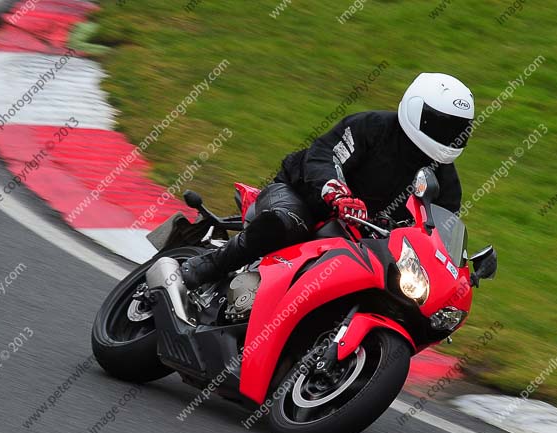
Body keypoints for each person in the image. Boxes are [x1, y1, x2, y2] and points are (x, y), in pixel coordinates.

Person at [181, 72, 475, 290]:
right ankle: (203, 268)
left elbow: (437, 229)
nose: (447, 135)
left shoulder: (445, 181)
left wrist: (460, 267)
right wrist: (337, 193)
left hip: (364, 243)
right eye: (439, 124)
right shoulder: (372, 127)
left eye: (457, 129)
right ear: (415, 108)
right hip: (305, 197)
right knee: (284, 223)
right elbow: (323, 155)